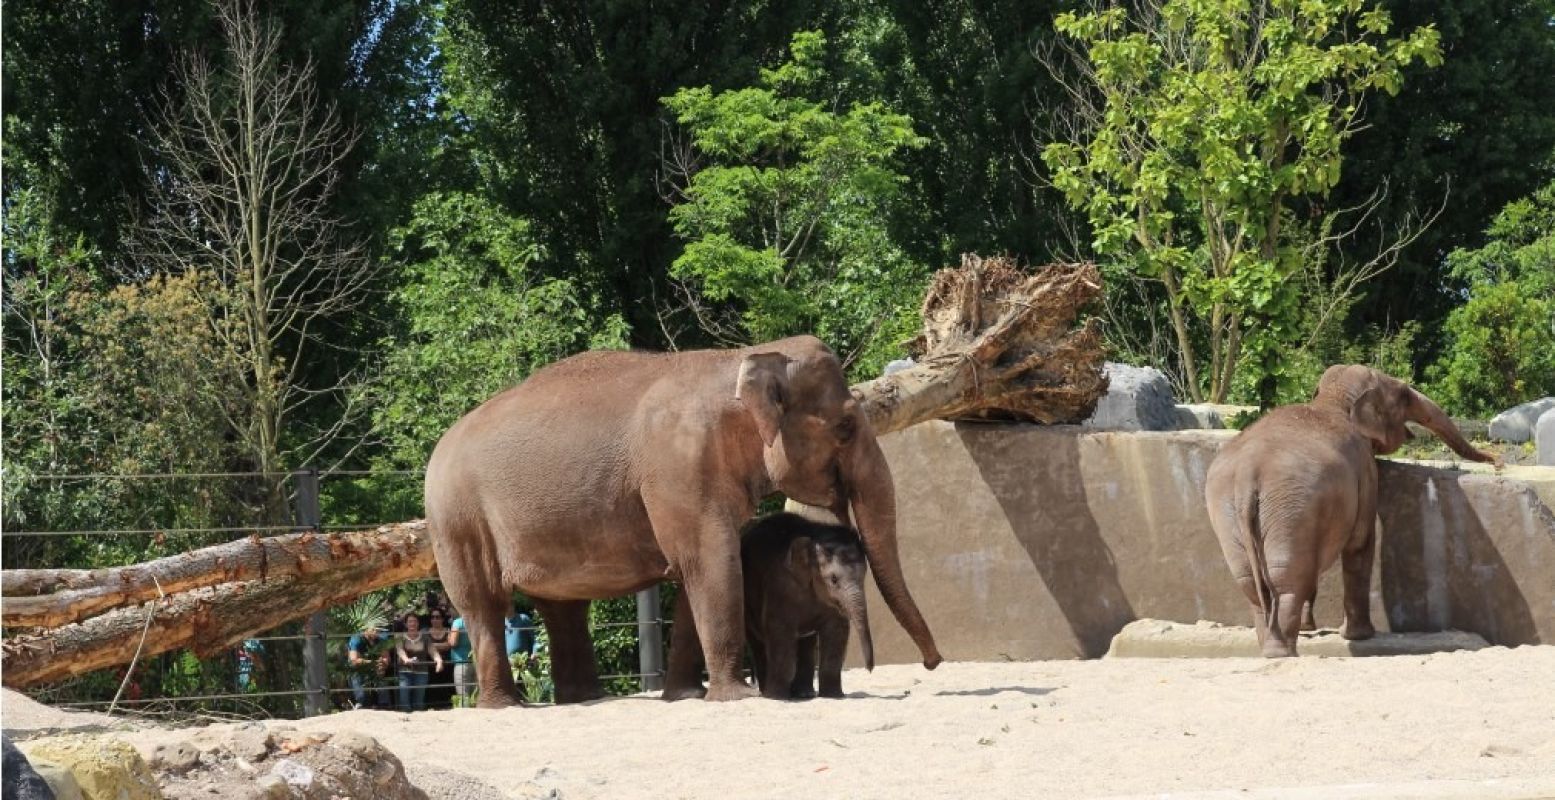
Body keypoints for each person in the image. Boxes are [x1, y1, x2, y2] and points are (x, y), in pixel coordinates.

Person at [395, 611, 441, 711]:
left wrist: (438, 660)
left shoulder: (425, 637)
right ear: (406, 624)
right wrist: (406, 659)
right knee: (404, 701)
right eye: (410, 621)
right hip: (404, 672)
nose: (412, 624)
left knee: (418, 703)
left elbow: (432, 650)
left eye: (415, 621)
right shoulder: (400, 637)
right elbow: (399, 650)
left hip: (421, 672)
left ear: (418, 623)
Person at [346, 624, 391, 709]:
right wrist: (372, 663)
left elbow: (386, 658)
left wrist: (383, 663)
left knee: (381, 673)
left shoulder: (381, 639)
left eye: (378, 630)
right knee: (356, 675)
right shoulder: (356, 639)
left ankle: (384, 704)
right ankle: (361, 702)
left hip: (374, 666)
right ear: (366, 629)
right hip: (358, 668)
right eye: (373, 629)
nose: (376, 632)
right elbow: (354, 660)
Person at [426, 608, 456, 709]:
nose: (435, 619)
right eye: (432, 617)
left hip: (447, 665)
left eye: (437, 617)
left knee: (447, 687)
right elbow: (424, 646)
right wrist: (440, 645)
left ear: (442, 619)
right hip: (430, 665)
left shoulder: (448, 630)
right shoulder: (425, 632)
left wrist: (432, 645)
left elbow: (449, 645)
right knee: (432, 689)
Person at [448, 610, 475, 707]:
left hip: (461, 663)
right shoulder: (475, 621)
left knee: (463, 695)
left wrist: (448, 637)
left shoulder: (458, 622)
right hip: (475, 663)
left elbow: (453, 642)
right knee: (474, 694)